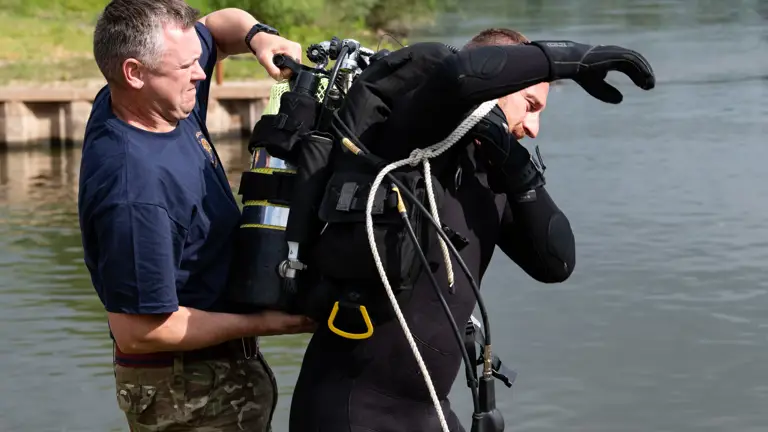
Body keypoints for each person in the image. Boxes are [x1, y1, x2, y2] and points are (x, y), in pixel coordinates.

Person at [288, 27, 654, 431]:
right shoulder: (413, 132)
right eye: (530, 104)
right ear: (500, 85)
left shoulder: (489, 175)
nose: (533, 128)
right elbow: (460, 75)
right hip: (351, 408)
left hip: (426, 412)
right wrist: (572, 56)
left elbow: (556, 262)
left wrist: (519, 171)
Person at [77, 1, 315, 430]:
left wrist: (260, 36)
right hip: (183, 389)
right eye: (187, 64)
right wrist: (270, 323)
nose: (203, 72)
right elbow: (140, 330)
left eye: (196, 58)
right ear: (134, 72)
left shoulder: (156, 101)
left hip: (219, 365)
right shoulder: (134, 193)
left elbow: (216, 24)